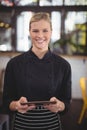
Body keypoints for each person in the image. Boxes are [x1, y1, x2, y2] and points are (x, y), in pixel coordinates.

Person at [3, 12, 72, 130]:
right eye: (35, 31)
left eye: (45, 30)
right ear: (29, 32)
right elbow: (6, 102)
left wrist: (60, 106)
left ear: (51, 31)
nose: (40, 35)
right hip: (22, 124)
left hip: (51, 124)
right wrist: (16, 105)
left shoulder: (63, 66)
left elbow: (66, 103)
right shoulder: (14, 64)